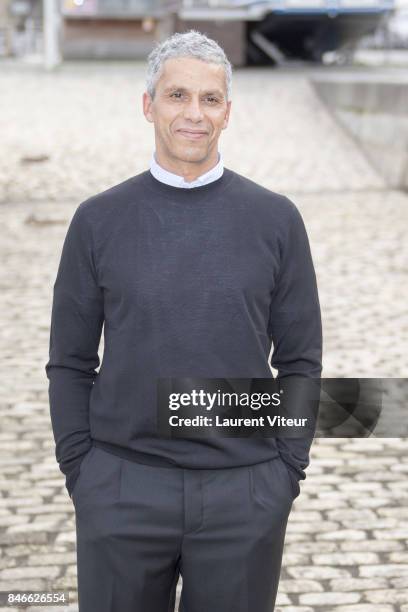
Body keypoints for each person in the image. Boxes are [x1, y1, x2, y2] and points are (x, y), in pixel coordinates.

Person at [45, 29, 322, 612]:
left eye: (210, 99)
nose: (194, 113)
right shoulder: (97, 221)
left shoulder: (276, 220)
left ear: (227, 113)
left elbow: (299, 360)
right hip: (121, 487)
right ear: (148, 105)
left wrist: (285, 471)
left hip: (244, 491)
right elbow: (70, 361)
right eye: (177, 96)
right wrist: (83, 472)